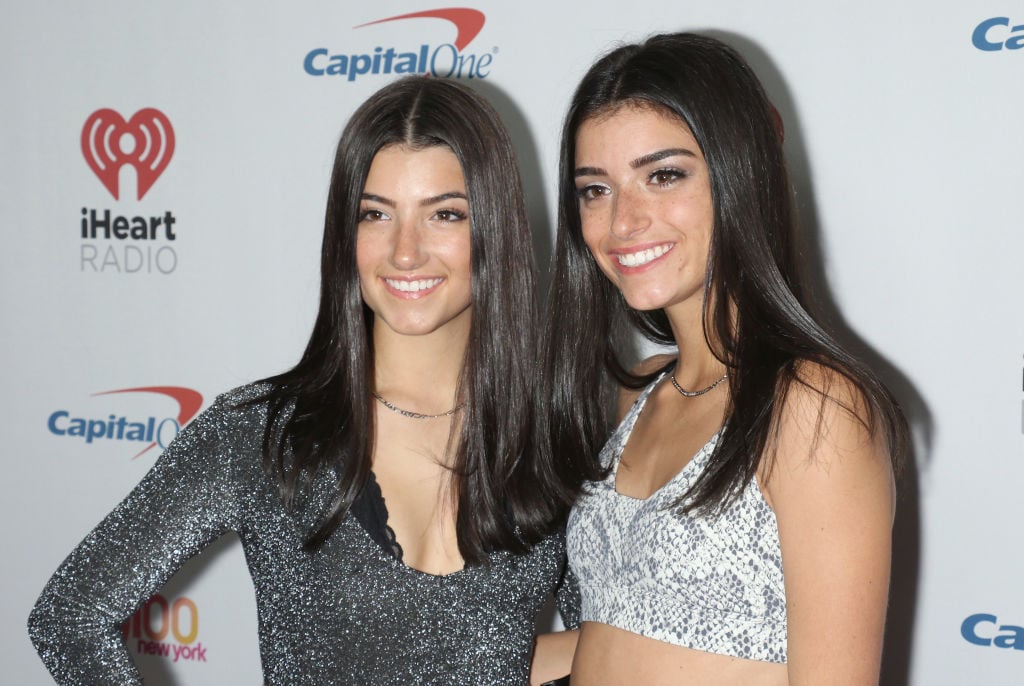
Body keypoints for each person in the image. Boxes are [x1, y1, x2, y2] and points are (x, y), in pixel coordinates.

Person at [29, 76, 578, 685]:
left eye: (445, 214)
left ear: (496, 228)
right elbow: (70, 618)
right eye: (375, 214)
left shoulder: (557, 440)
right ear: (346, 234)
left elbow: (606, 655)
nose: (405, 252)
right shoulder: (263, 435)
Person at [544, 33, 909, 684]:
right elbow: (614, 636)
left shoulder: (812, 406)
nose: (622, 221)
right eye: (595, 189)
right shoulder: (639, 394)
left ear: (739, 175)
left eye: (663, 176)